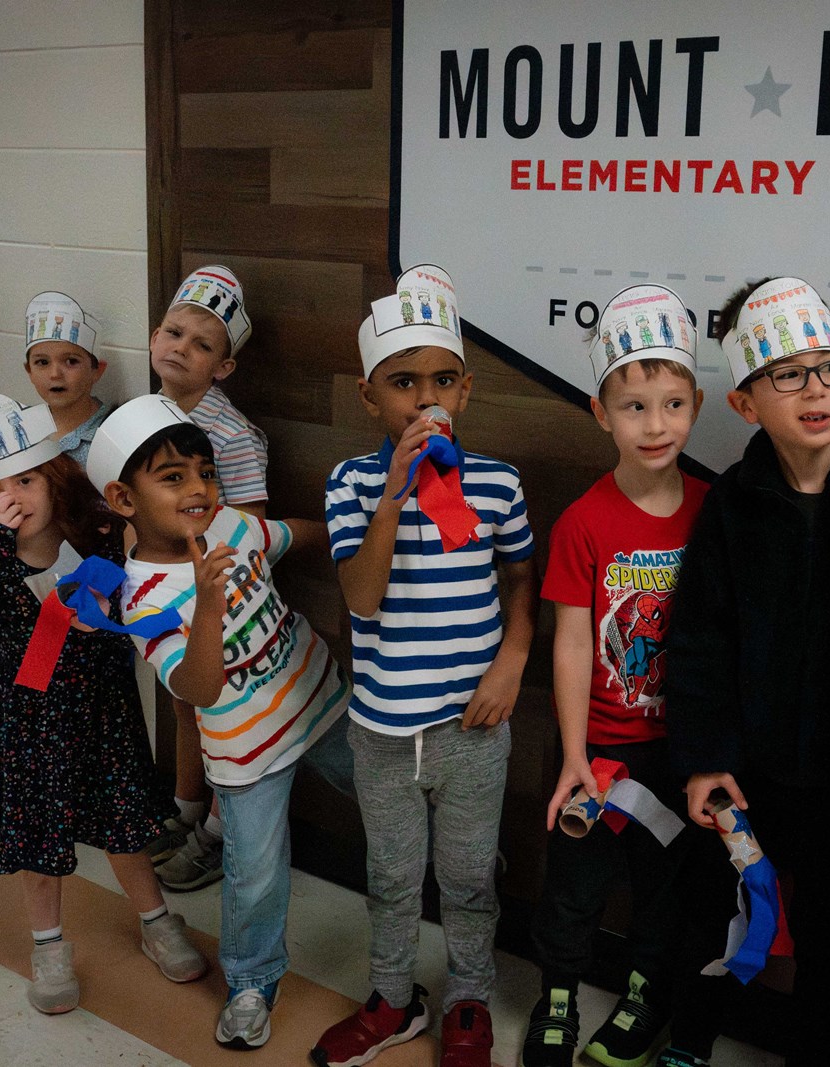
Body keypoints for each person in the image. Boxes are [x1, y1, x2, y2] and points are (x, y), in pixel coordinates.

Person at [662, 277, 830, 1067]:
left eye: (829, 368)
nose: (815, 390)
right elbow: (702, 640)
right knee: (714, 909)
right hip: (750, 767)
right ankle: (687, 1041)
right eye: (788, 374)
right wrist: (707, 755)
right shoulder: (732, 502)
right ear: (745, 402)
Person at [314, 265, 536, 1067]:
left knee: (472, 875)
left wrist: (512, 659)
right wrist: (395, 496)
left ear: (467, 391)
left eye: (443, 379)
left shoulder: (499, 485)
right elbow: (363, 598)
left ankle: (470, 996)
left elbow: (520, 577)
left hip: (475, 727)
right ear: (373, 399)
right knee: (392, 874)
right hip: (382, 731)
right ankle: (393, 995)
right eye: (403, 383)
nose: (425, 399)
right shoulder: (352, 483)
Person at [88, 394, 349, 1050]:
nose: (199, 487)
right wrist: (206, 600)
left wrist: (358, 527)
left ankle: (462, 858)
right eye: (172, 477)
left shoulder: (231, 523)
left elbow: (291, 532)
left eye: (204, 471)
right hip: (244, 752)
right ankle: (252, 982)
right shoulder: (141, 596)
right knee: (255, 871)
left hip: (319, 699)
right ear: (124, 499)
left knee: (390, 787)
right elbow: (196, 688)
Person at [0, 391, 205, 1014]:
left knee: (123, 829)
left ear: (54, 479)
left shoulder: (101, 536)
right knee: (37, 838)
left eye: (25, 479)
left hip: (103, 713)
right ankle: (48, 945)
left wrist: (109, 608)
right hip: (27, 723)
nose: (12, 498)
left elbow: (135, 588)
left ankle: (157, 921)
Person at [522, 286, 708, 1067]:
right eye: (635, 406)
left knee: (666, 891)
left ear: (696, 404)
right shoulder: (583, 521)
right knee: (574, 886)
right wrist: (572, 754)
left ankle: (643, 995)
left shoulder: (713, 510)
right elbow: (568, 643)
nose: (656, 424)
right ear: (602, 413)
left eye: (671, 404)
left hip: (680, 751)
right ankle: (558, 994)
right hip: (597, 748)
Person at [144, 265, 268, 888]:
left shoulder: (232, 436)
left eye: (201, 345)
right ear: (152, 336)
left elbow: (251, 531)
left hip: (222, 598)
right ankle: (187, 810)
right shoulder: (145, 416)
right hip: (167, 589)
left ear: (223, 367)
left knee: (223, 716)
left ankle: (218, 833)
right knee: (184, 706)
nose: (180, 349)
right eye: (172, 332)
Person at [23, 291, 111, 468]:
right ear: (29, 371)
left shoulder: (112, 436)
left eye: (71, 361)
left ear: (97, 371)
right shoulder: (21, 429)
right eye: (42, 362)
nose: (55, 374)